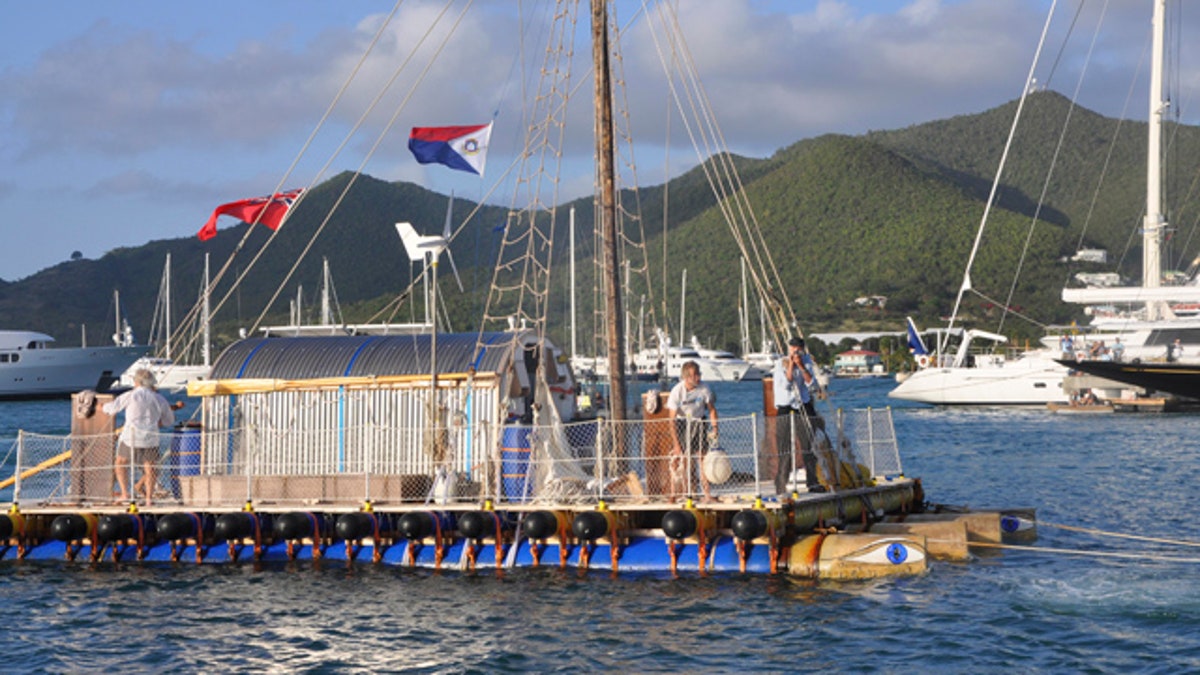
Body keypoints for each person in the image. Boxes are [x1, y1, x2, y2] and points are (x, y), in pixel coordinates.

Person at [103, 368, 176, 505]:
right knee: (150, 468)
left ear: (136, 381)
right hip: (150, 437)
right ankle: (149, 498)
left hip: (130, 437)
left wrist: (101, 406)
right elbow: (169, 420)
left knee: (120, 463)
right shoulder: (159, 398)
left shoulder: (130, 395)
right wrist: (159, 422)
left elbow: (112, 408)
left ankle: (125, 493)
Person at [772, 337, 824, 495]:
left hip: (803, 402)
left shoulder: (807, 361)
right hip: (785, 405)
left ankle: (812, 482)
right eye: (792, 347)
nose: (795, 350)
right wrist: (791, 365)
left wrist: (801, 365)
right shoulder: (780, 363)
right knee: (784, 447)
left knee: (808, 444)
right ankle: (781, 485)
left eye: (798, 348)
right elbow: (787, 384)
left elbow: (811, 383)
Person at [666, 360, 718, 501]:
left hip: (699, 421)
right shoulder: (677, 391)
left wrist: (715, 428)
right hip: (682, 423)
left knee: (703, 458)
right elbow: (671, 420)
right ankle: (677, 493)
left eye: (699, 374)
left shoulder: (704, 388)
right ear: (687, 377)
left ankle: (707, 493)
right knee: (681, 459)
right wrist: (676, 444)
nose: (698, 378)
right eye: (695, 375)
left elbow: (712, 409)